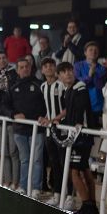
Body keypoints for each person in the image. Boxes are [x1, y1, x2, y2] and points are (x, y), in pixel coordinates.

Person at [56, 61, 99, 214]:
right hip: (79, 135)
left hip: (82, 135)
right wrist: (56, 119)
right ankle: (92, 205)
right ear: (59, 76)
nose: (68, 73)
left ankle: (87, 204)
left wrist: (76, 127)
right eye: (64, 71)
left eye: (69, 70)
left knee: (73, 170)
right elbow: (69, 111)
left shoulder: (79, 86)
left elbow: (80, 111)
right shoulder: (68, 90)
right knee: (84, 169)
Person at [7, 58, 46, 196]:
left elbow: (46, 105)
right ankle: (23, 185)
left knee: (36, 160)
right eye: (21, 67)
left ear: (31, 69)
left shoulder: (40, 85)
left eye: (27, 67)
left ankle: (36, 187)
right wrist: (14, 114)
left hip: (37, 129)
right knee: (24, 159)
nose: (24, 69)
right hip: (19, 130)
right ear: (17, 70)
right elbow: (4, 106)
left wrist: (45, 117)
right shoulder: (12, 87)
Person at [38, 57, 65, 198]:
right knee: (53, 162)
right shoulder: (42, 87)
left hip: (62, 130)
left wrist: (55, 119)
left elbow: (67, 108)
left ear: (55, 68)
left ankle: (65, 194)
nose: (48, 68)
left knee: (62, 163)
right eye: (45, 66)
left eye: (51, 65)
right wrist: (42, 118)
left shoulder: (61, 85)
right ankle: (57, 193)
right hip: (49, 131)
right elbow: (43, 108)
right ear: (42, 70)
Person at [74, 42, 107, 117]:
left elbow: (100, 85)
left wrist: (94, 71)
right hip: (81, 103)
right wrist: (89, 76)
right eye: (91, 50)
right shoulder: (78, 66)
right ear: (85, 52)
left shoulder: (102, 68)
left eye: (96, 50)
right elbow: (77, 82)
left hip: (97, 104)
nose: (93, 52)